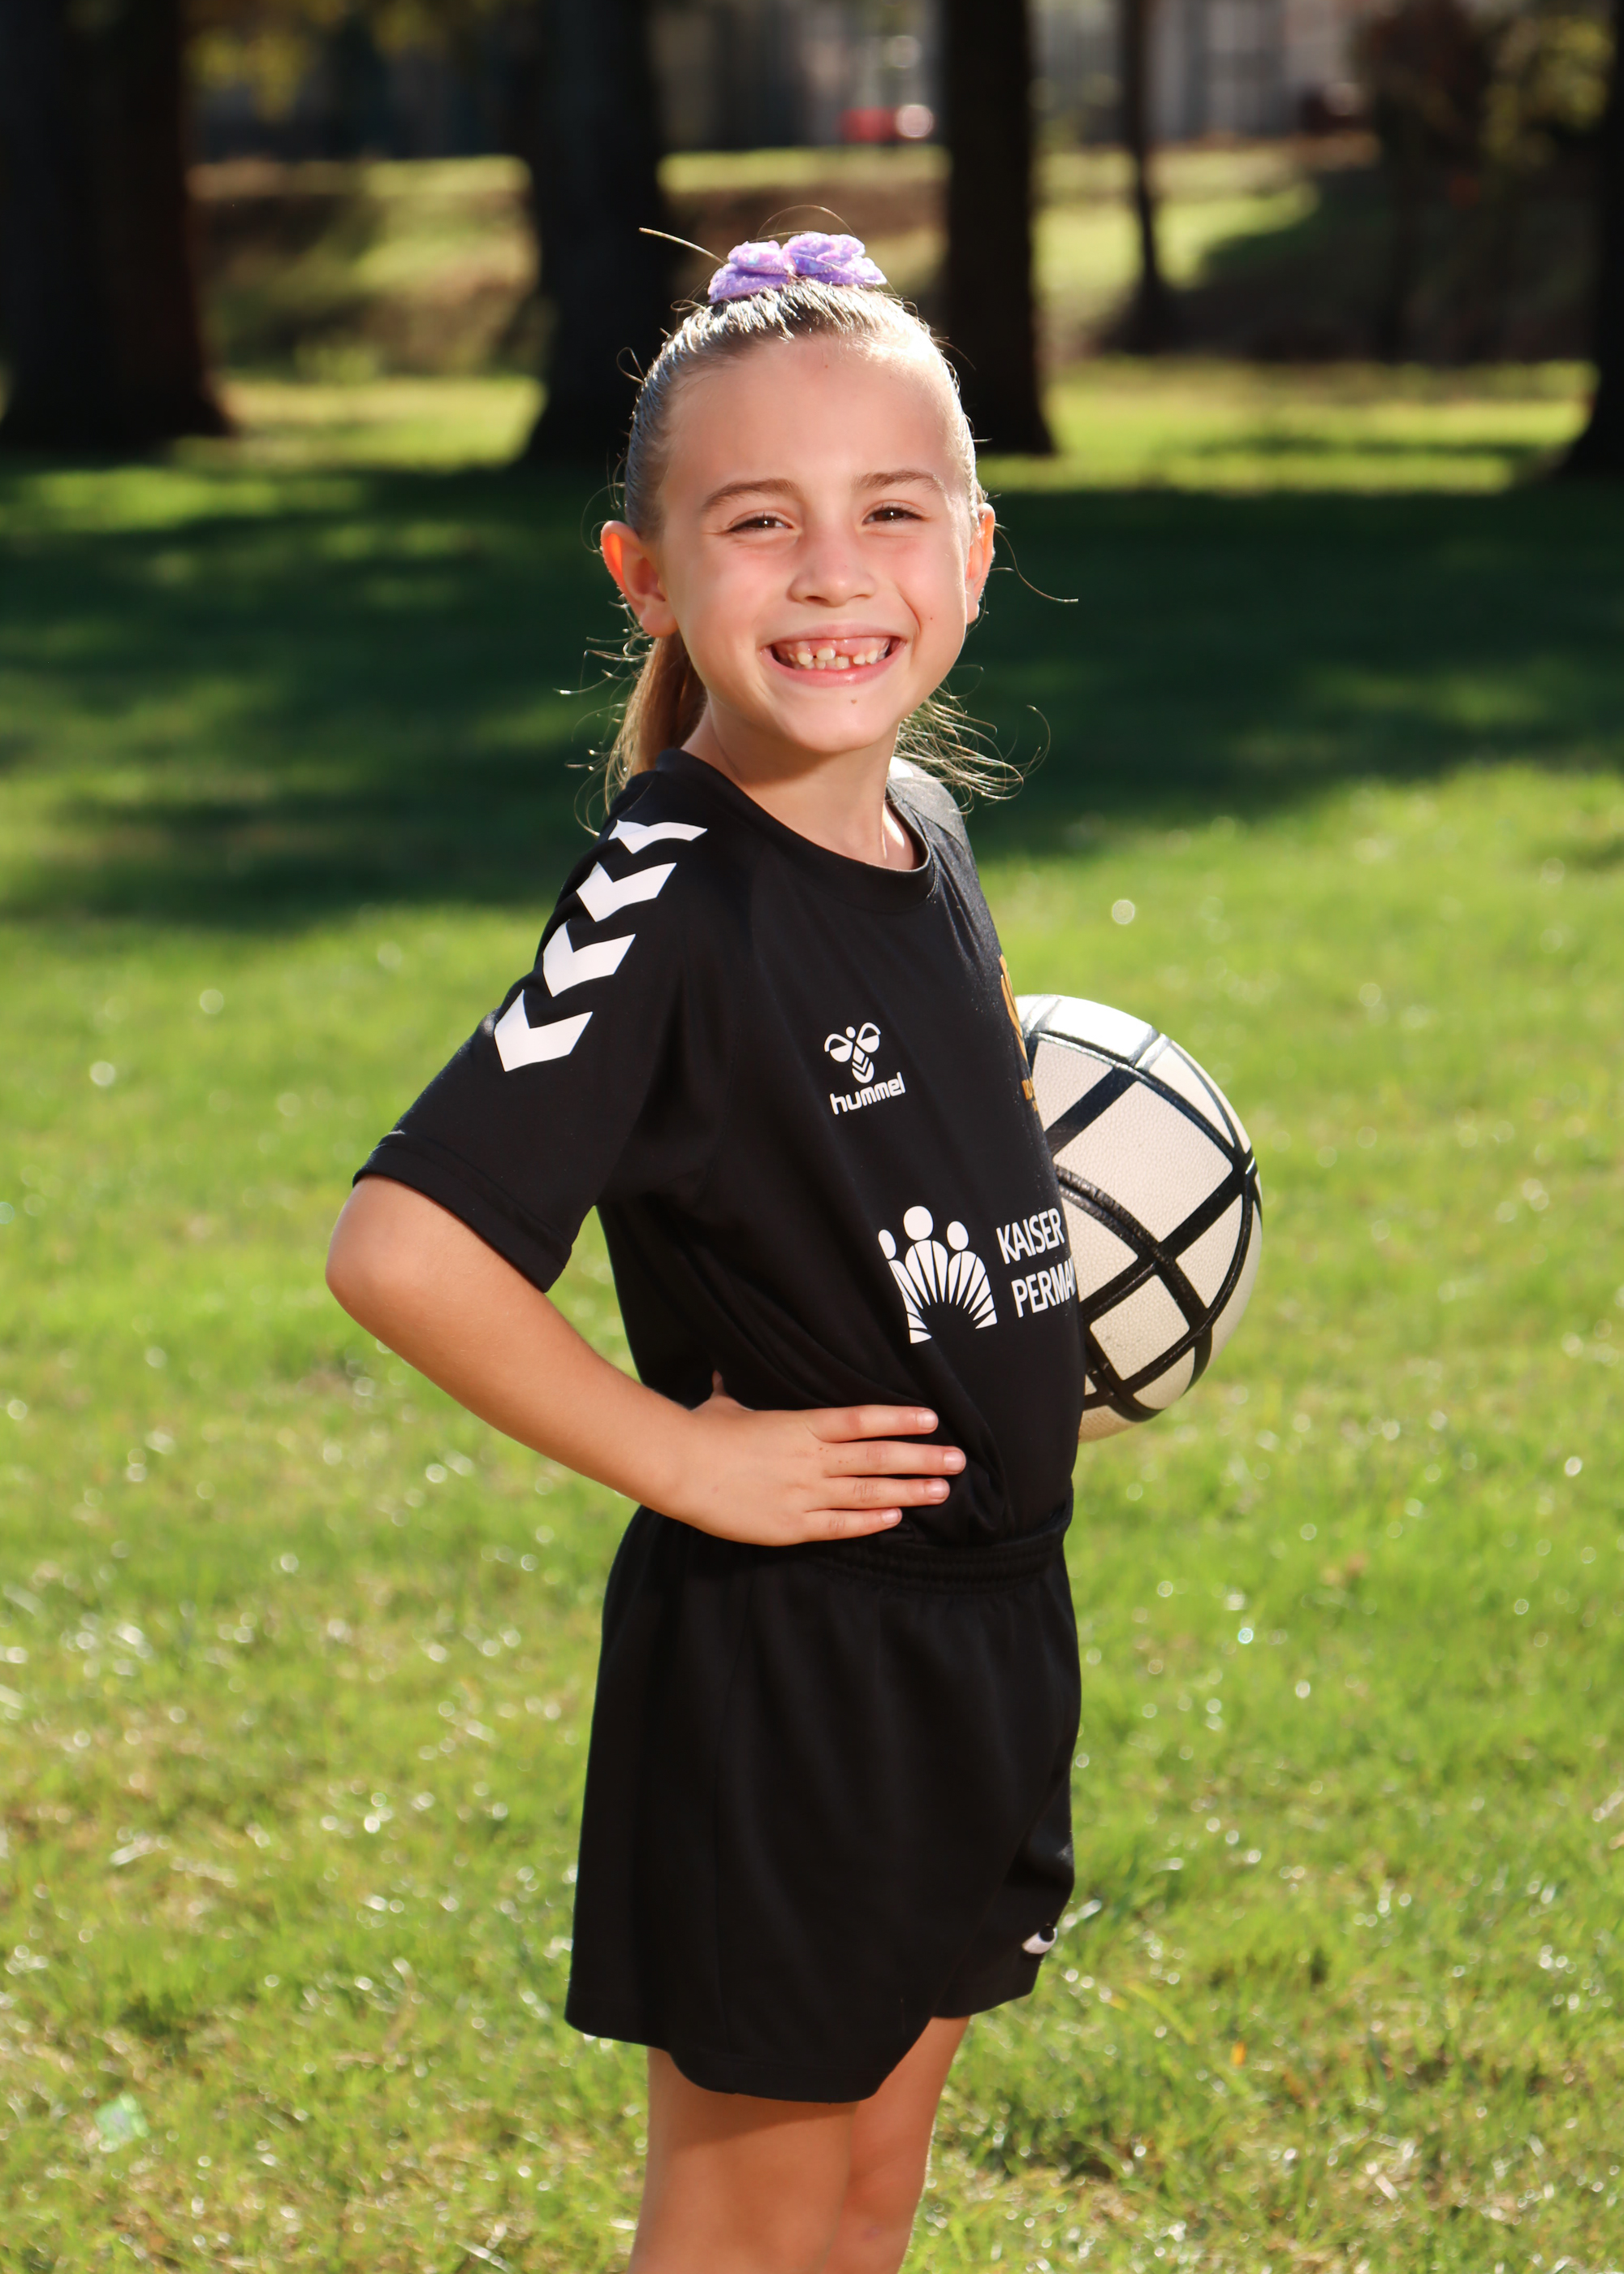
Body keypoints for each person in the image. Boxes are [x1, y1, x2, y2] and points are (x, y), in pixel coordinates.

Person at [326, 231, 1085, 2274]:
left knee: (864, 2197)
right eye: (758, 522)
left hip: (987, 1628)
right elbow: (401, 1244)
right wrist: (685, 1455)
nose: (834, 573)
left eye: (891, 513)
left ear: (976, 550)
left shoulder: (922, 830)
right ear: (644, 574)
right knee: (748, 2223)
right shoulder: (671, 886)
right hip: (793, 1664)